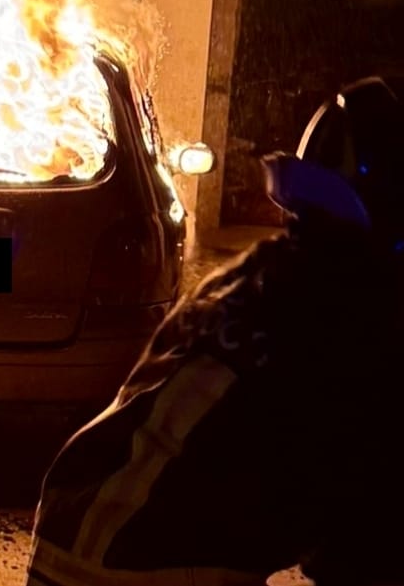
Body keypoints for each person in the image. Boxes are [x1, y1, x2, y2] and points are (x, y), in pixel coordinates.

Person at [25, 75, 404, 586]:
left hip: (69, 534)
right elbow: (360, 544)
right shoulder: (355, 316)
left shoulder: (249, 277)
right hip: (159, 563)